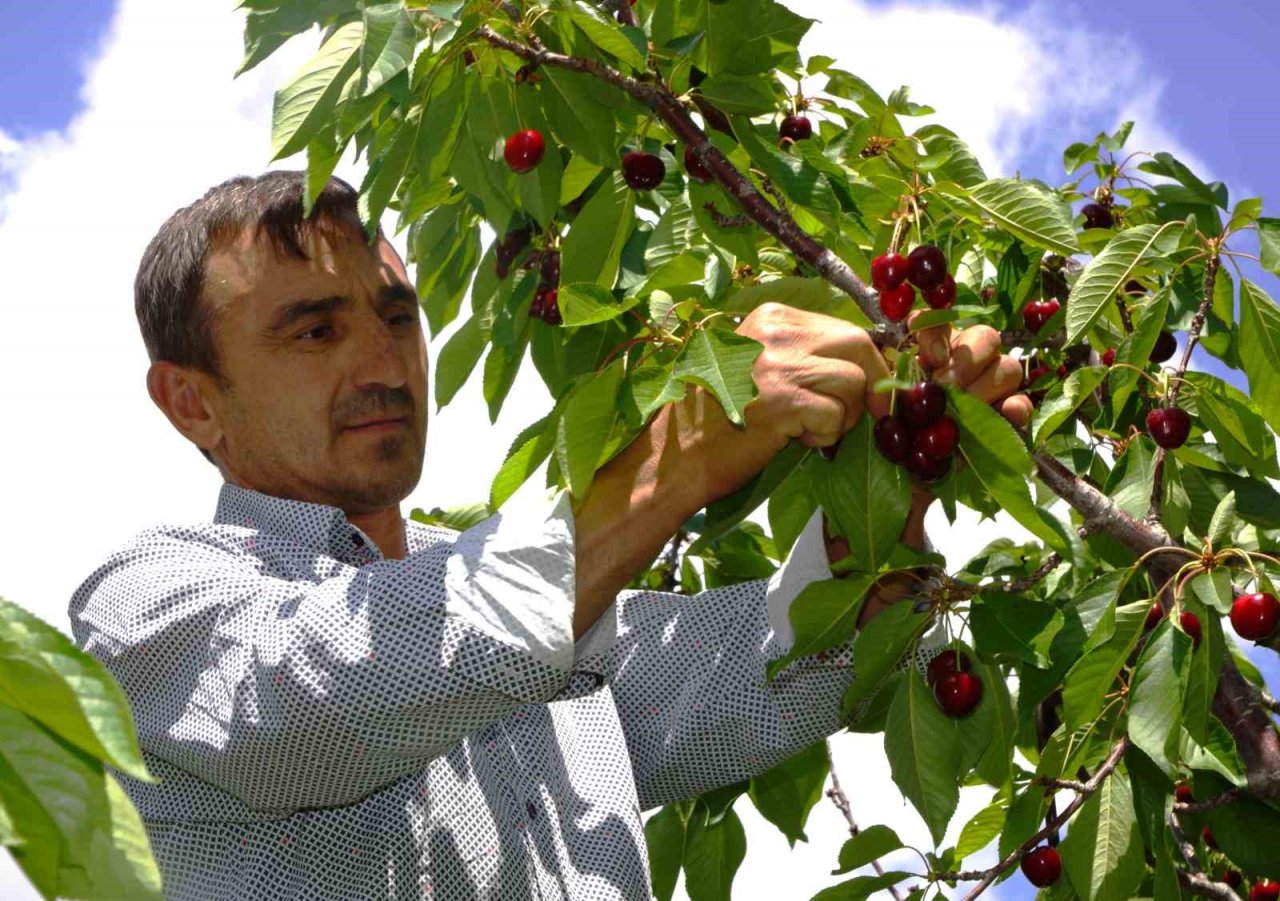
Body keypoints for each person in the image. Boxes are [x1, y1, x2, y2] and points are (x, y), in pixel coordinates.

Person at [69, 171, 1029, 900]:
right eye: (314, 332)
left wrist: (891, 484)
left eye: (398, 318)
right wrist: (672, 462)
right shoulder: (147, 601)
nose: (384, 361)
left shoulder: (539, 604)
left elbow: (778, 661)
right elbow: (313, 696)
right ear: (191, 402)